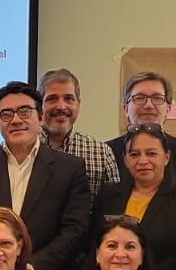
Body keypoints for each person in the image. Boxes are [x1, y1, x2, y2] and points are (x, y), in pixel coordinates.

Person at [0, 81, 92, 270]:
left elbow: (74, 230)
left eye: (25, 111)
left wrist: (32, 268)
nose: (16, 120)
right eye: (6, 114)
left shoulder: (69, 168)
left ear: (41, 117)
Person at [92, 124, 176, 270]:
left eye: (151, 153)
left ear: (166, 157)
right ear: (125, 160)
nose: (143, 161)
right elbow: (94, 244)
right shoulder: (108, 195)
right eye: (134, 154)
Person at [106, 72, 176, 186]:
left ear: (168, 109)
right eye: (139, 98)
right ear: (126, 109)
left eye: (157, 98)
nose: (148, 105)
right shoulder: (107, 153)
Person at [38, 68, 120, 202]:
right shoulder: (22, 149)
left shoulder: (101, 153)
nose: (61, 106)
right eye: (52, 99)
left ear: (78, 104)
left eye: (69, 99)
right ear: (39, 105)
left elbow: (113, 208)